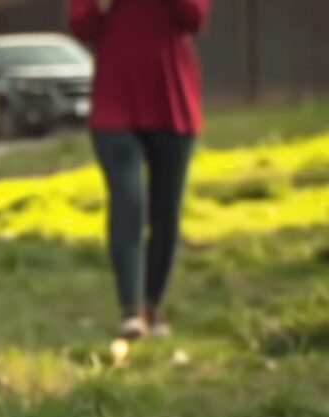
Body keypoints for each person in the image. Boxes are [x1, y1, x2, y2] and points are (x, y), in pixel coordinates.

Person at [69, 0, 211, 339]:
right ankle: (131, 310)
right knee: (129, 201)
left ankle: (153, 305)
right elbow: (81, 26)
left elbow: (194, 18)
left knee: (166, 213)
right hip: (115, 104)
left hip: (172, 102)